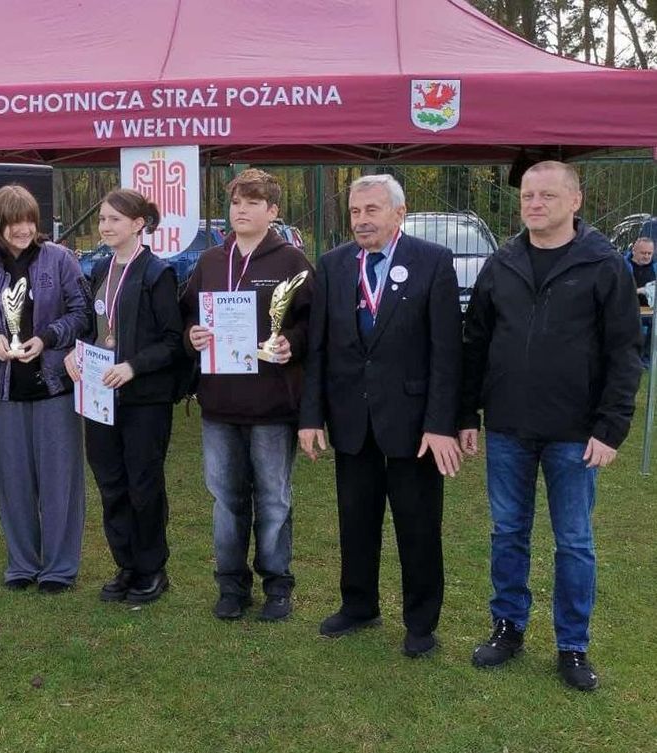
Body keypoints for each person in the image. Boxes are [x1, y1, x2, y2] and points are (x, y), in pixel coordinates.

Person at [459, 161, 642, 691]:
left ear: (575, 200)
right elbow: (475, 343)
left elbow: (624, 354)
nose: (534, 204)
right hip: (509, 428)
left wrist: (610, 429)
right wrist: (467, 414)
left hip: (575, 433)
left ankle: (572, 645)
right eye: (527, 196)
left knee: (575, 542)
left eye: (546, 195)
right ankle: (508, 626)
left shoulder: (604, 264)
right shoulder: (502, 262)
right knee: (508, 532)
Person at [299, 174, 461, 657]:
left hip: (413, 425)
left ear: (399, 212)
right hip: (351, 418)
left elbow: (446, 352)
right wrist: (311, 418)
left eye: (372, 210)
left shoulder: (433, 262)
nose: (362, 220)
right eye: (355, 211)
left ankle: (420, 622)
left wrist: (440, 424)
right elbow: (320, 349)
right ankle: (359, 604)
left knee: (417, 525)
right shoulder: (332, 266)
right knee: (355, 519)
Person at [179, 169, 315, 621]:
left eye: (253, 203)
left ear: (273, 211)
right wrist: (192, 336)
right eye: (236, 202)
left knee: (274, 497)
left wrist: (291, 342)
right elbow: (186, 315)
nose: (241, 210)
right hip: (219, 403)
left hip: (272, 404)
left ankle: (277, 584)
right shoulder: (211, 262)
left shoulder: (292, 262)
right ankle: (231, 584)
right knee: (226, 498)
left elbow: (313, 322)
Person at [64, 189, 185, 605]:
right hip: (100, 396)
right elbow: (92, 328)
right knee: (111, 482)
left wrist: (133, 366)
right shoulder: (99, 269)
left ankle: (152, 569)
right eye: (102, 219)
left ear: (138, 224)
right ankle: (126, 564)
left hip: (143, 399)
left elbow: (173, 342)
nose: (105, 226)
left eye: (114, 219)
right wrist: (74, 356)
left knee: (143, 483)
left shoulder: (157, 273)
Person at [0, 184, 90, 593]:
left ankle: (58, 568)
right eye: (13, 222)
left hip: (55, 386)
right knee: (14, 480)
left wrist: (49, 337)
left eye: (28, 220)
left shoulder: (60, 260)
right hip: (7, 389)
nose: (22, 229)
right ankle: (21, 563)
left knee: (60, 481)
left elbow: (82, 314)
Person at [625, 236, 655, 361]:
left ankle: (648, 358)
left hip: (651, 310)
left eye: (650, 253)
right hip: (627, 308)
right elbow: (618, 290)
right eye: (643, 253)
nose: (647, 256)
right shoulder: (623, 266)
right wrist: (639, 291)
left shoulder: (655, 267)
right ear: (634, 251)